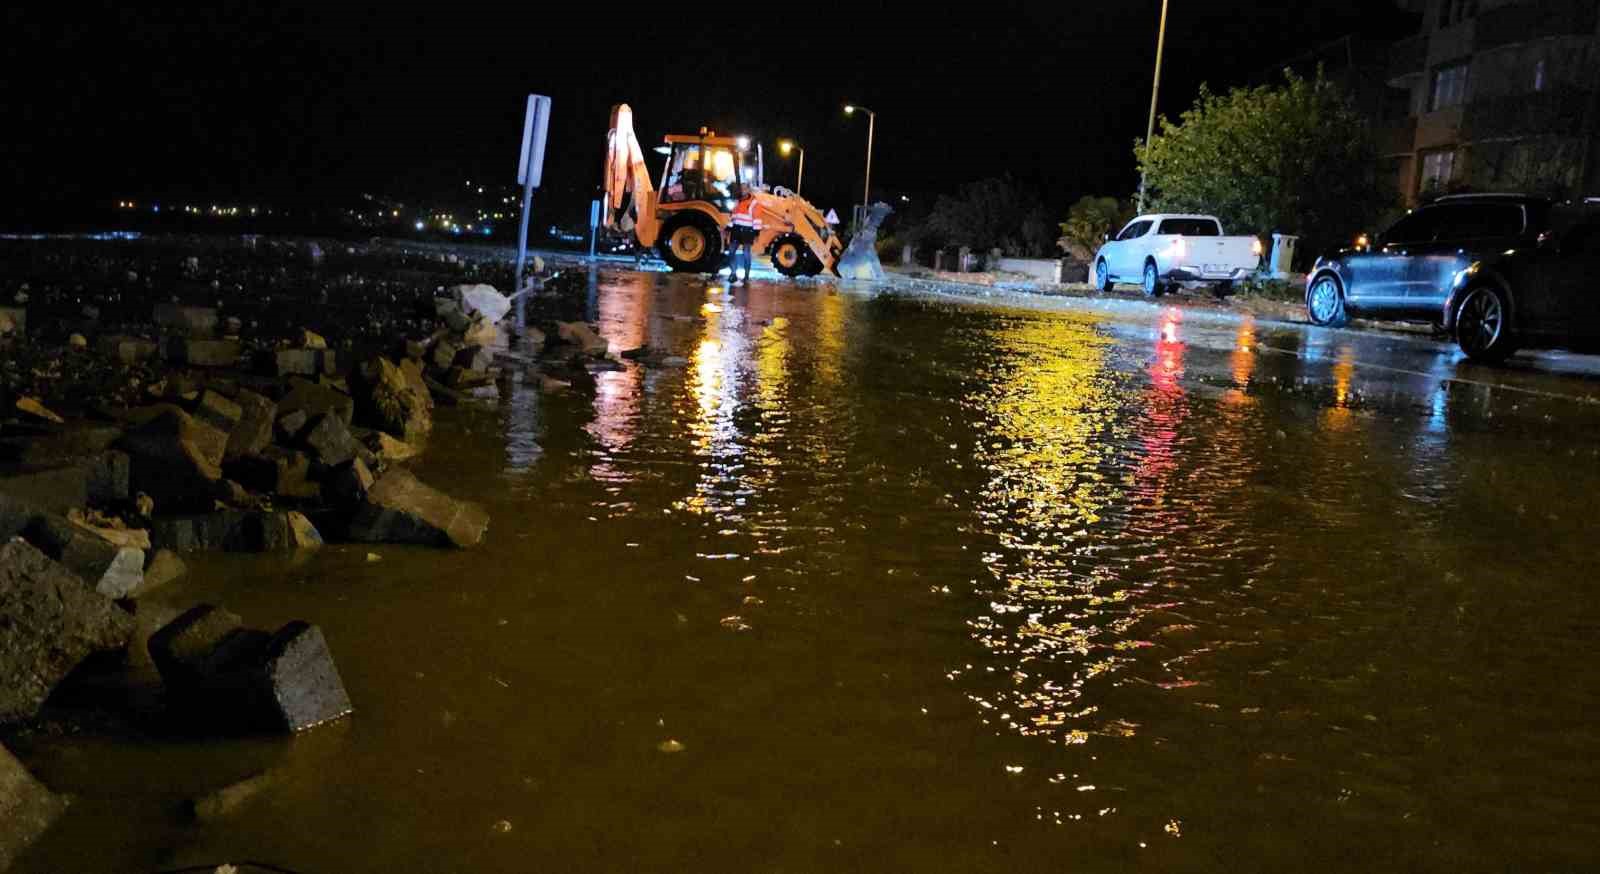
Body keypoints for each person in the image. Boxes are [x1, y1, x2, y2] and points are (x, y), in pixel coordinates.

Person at [727, 184, 762, 284]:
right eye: (741, 188)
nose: (742, 190)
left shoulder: (754, 202)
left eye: (745, 188)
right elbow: (733, 215)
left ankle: (746, 276)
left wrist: (756, 232)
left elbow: (757, 218)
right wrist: (729, 226)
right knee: (731, 251)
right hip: (737, 229)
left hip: (747, 230)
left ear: (749, 190)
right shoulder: (737, 201)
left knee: (746, 253)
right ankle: (733, 273)